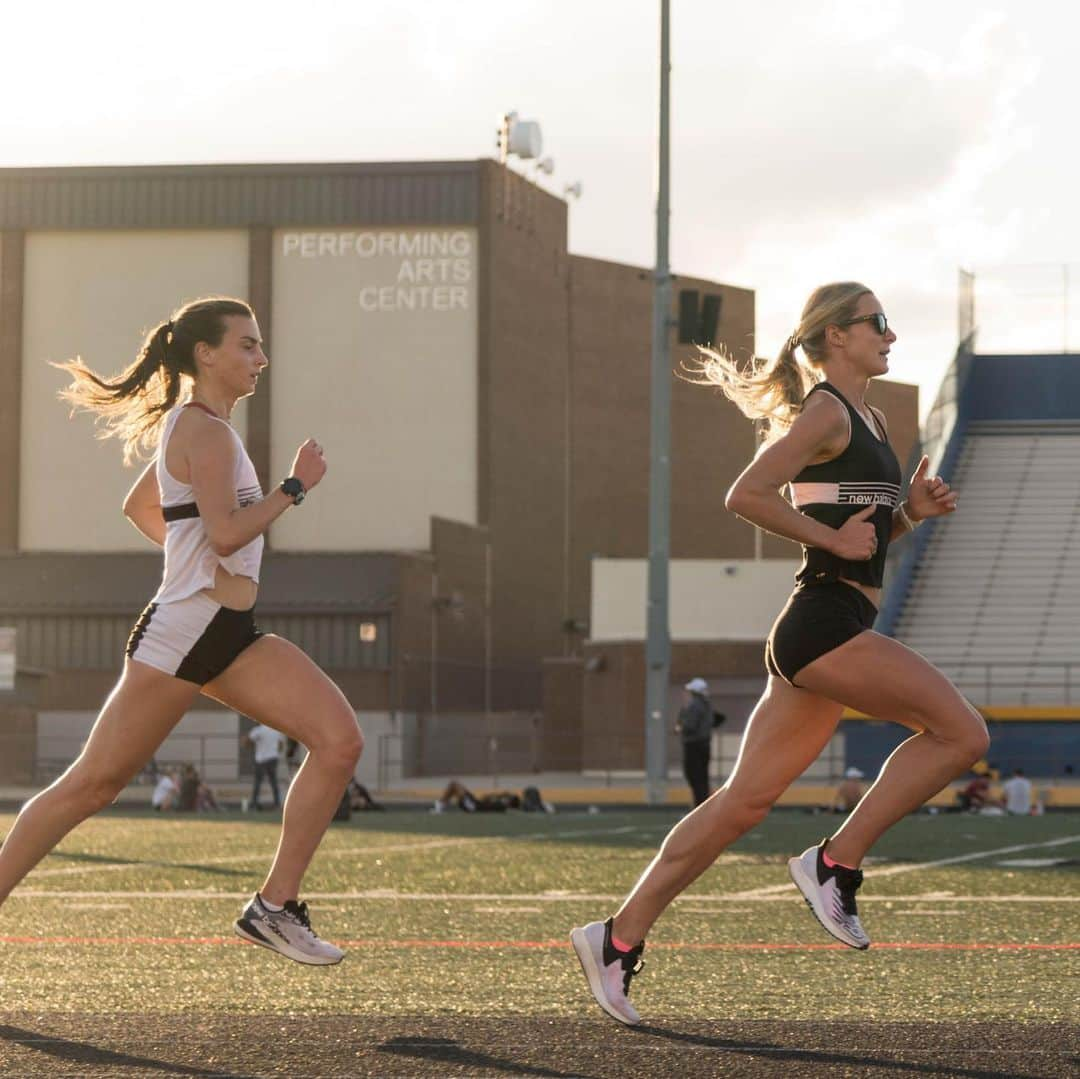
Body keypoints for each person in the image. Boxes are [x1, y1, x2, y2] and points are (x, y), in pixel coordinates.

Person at [571, 282, 988, 1025]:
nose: (890, 334)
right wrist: (829, 538)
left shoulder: (873, 418)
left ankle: (616, 937)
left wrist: (908, 516)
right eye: (877, 323)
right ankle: (834, 861)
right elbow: (746, 493)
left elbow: (864, 539)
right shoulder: (827, 410)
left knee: (743, 804)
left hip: (825, 626)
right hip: (822, 626)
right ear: (836, 336)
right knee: (963, 734)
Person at [0, 297, 363, 966]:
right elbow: (225, 534)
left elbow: (143, 507)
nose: (261, 358)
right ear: (207, 354)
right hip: (186, 630)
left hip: (227, 631)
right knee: (90, 786)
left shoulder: (202, 429)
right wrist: (294, 487)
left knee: (339, 741)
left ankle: (274, 907)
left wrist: (191, 556)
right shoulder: (208, 432)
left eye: (260, 346)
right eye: (247, 345)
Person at [676, 678, 714, 807]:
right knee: (702, 778)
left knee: (694, 777)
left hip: (693, 746)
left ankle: (699, 806)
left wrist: (680, 727)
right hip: (704, 744)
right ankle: (704, 806)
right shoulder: (707, 704)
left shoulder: (694, 705)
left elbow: (690, 726)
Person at [245, 722, 284, 810]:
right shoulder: (276, 730)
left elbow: (246, 741)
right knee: (274, 783)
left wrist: (255, 745)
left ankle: (254, 803)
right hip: (273, 758)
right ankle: (277, 803)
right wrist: (274, 751)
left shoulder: (259, 730)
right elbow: (281, 745)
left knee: (257, 783)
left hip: (261, 759)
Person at [432, 780, 521, 813]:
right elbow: (486, 797)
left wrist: (503, 796)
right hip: (475, 802)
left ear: (509, 802)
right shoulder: (500, 803)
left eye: (509, 797)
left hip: (474, 807)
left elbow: (487, 801)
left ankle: (440, 806)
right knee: (454, 785)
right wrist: (502, 794)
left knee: (454, 785)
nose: (508, 796)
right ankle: (441, 805)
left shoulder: (502, 806)